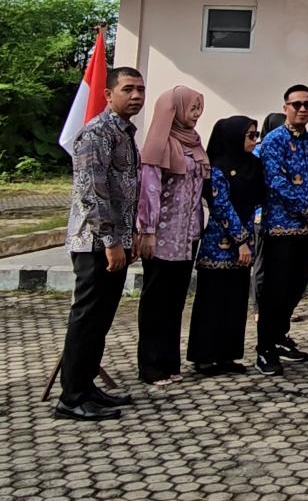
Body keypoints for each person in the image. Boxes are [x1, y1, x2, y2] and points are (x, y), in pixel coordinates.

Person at [55, 67, 145, 421]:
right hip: (94, 243)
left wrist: (129, 235)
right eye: (127, 89)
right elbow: (92, 193)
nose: (136, 95)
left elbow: (125, 192)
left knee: (102, 318)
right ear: (108, 94)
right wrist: (111, 240)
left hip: (114, 241)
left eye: (140, 89)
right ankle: (71, 396)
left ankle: (88, 386)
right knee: (87, 318)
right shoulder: (96, 133)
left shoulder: (124, 133)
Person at [136, 85, 209, 386]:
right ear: (174, 109)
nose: (194, 116)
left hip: (188, 236)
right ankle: (150, 366)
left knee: (176, 302)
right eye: (190, 109)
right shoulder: (159, 145)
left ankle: (169, 362)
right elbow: (148, 192)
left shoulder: (193, 143)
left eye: (197, 111)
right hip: (161, 236)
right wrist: (147, 230)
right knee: (156, 302)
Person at [256, 85, 308, 376]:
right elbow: (276, 182)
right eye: (297, 104)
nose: (302, 109)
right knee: (274, 290)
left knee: (296, 287)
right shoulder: (273, 141)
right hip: (281, 228)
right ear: (285, 107)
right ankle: (264, 348)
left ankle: (280, 335)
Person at [187, 116, 262, 375]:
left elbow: (255, 203)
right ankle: (204, 355)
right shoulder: (217, 167)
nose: (255, 140)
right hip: (220, 243)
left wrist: (247, 240)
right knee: (213, 301)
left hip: (245, 242)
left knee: (236, 300)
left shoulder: (254, 165)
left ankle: (228, 354)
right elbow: (221, 206)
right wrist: (240, 240)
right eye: (250, 135)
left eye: (256, 134)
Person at [251, 110, 285, 313]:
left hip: (279, 218)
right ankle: (258, 306)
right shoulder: (259, 151)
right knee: (261, 263)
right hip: (260, 215)